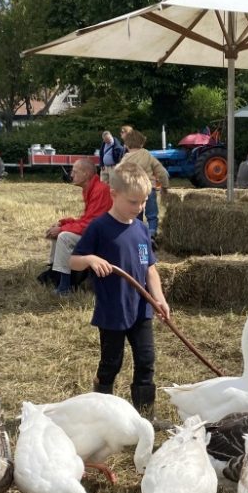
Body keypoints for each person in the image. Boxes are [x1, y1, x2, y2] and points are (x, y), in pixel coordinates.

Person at [70, 160, 170, 418]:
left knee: (146, 361)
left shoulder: (141, 229)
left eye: (144, 201)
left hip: (141, 310)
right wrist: (91, 260)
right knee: (111, 363)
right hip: (113, 311)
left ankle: (145, 416)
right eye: (133, 202)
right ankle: (102, 414)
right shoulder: (100, 228)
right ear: (114, 195)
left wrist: (158, 298)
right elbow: (73, 260)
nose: (140, 208)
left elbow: (150, 269)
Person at [44, 157, 113, 296]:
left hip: (103, 237)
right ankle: (55, 274)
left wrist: (63, 229)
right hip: (96, 231)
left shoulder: (100, 190)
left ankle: (64, 288)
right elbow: (88, 219)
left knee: (64, 237)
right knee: (59, 234)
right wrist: (64, 223)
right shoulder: (91, 188)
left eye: (75, 172)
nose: (71, 175)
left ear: (86, 174)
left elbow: (92, 224)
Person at [118, 129, 170, 246]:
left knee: (136, 215)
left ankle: (138, 235)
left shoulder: (126, 158)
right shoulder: (147, 155)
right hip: (148, 189)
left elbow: (118, 174)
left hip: (132, 191)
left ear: (127, 144)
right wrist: (165, 186)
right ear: (142, 143)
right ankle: (151, 235)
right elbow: (162, 172)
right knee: (152, 215)